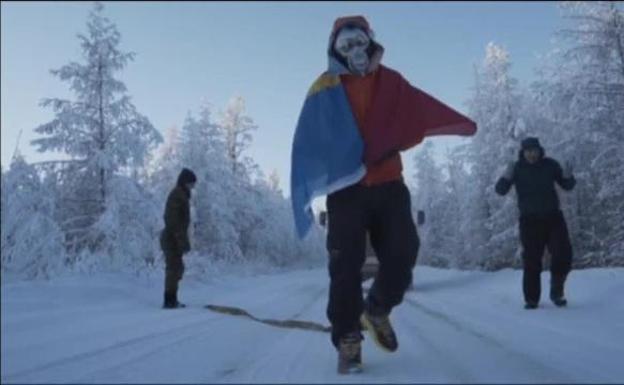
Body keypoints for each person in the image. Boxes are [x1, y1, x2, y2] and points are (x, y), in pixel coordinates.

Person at [290, 15, 476, 374]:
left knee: (404, 251)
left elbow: (419, 112)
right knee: (345, 266)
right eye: (345, 45)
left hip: (390, 184)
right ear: (335, 51)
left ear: (370, 42)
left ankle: (376, 308)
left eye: (358, 42)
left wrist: (459, 124)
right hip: (346, 190)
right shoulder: (323, 88)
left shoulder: (392, 82)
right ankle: (348, 340)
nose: (354, 51)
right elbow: (308, 140)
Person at [495, 137, 576, 310]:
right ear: (523, 152)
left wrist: (569, 177)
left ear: (540, 150)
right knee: (532, 260)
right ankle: (531, 299)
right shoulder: (517, 168)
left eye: (535, 150)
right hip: (530, 222)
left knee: (563, 254)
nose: (532, 154)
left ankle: (557, 290)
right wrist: (506, 176)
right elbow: (500, 191)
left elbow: (567, 186)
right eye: (528, 151)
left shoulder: (550, 165)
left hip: (554, 218)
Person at [160, 168, 196, 309]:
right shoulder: (177, 195)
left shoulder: (182, 195)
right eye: (192, 183)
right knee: (174, 268)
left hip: (174, 237)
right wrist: (181, 240)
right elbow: (172, 220)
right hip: (171, 238)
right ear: (185, 182)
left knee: (177, 268)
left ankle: (172, 299)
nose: (193, 186)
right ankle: (169, 301)